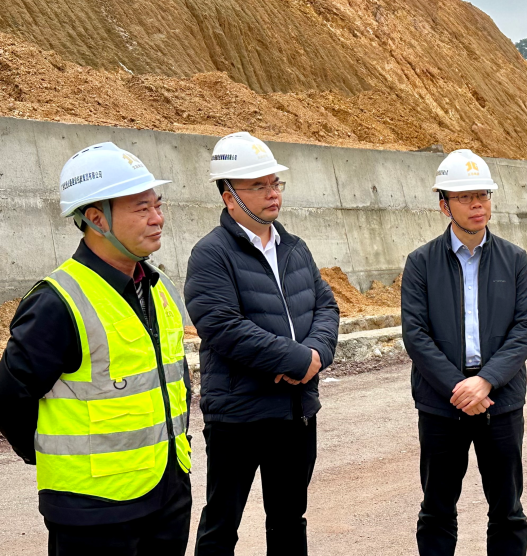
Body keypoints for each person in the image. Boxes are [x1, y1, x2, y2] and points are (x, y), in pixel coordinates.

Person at [0, 143, 192, 555]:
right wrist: (53, 457)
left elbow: (175, 379)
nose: (157, 218)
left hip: (168, 493)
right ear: (96, 218)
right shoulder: (57, 301)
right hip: (92, 510)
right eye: (142, 208)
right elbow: (10, 397)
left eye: (158, 205)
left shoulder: (158, 288)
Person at [184, 132, 340, 556]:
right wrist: (296, 359)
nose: (273, 193)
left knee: (289, 520)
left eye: (275, 183)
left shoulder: (295, 248)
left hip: (295, 410)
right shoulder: (210, 254)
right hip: (239, 414)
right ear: (229, 197)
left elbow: (326, 307)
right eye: (259, 186)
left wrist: (315, 356)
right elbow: (221, 326)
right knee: (222, 523)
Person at [401, 149, 527, 556]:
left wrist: (486, 381)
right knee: (437, 510)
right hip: (441, 402)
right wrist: (458, 387)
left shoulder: (514, 260)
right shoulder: (421, 263)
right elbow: (416, 335)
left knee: (507, 511)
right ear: (444, 204)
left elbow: (526, 327)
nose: (477, 204)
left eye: (483, 194)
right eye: (465, 197)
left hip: (500, 398)